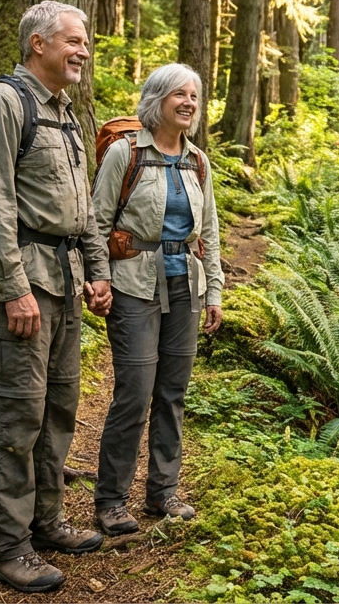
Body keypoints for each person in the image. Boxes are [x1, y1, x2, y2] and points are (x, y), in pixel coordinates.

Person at [0, 1, 114, 593]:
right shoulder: (3, 105)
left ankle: (46, 522)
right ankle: (4, 547)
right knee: (16, 415)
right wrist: (12, 288)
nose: (83, 51)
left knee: (56, 411)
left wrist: (97, 272)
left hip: (65, 281)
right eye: (73, 41)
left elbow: (81, 210)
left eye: (86, 43)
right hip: (21, 287)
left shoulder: (66, 114)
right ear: (37, 45)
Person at [91, 63, 224, 536]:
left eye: (194, 95)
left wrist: (214, 288)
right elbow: (97, 221)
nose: (189, 102)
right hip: (132, 287)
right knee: (135, 393)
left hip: (184, 286)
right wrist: (98, 279)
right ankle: (110, 500)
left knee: (173, 394)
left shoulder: (198, 162)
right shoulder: (126, 154)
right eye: (179, 95)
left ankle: (162, 491)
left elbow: (208, 230)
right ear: (157, 100)